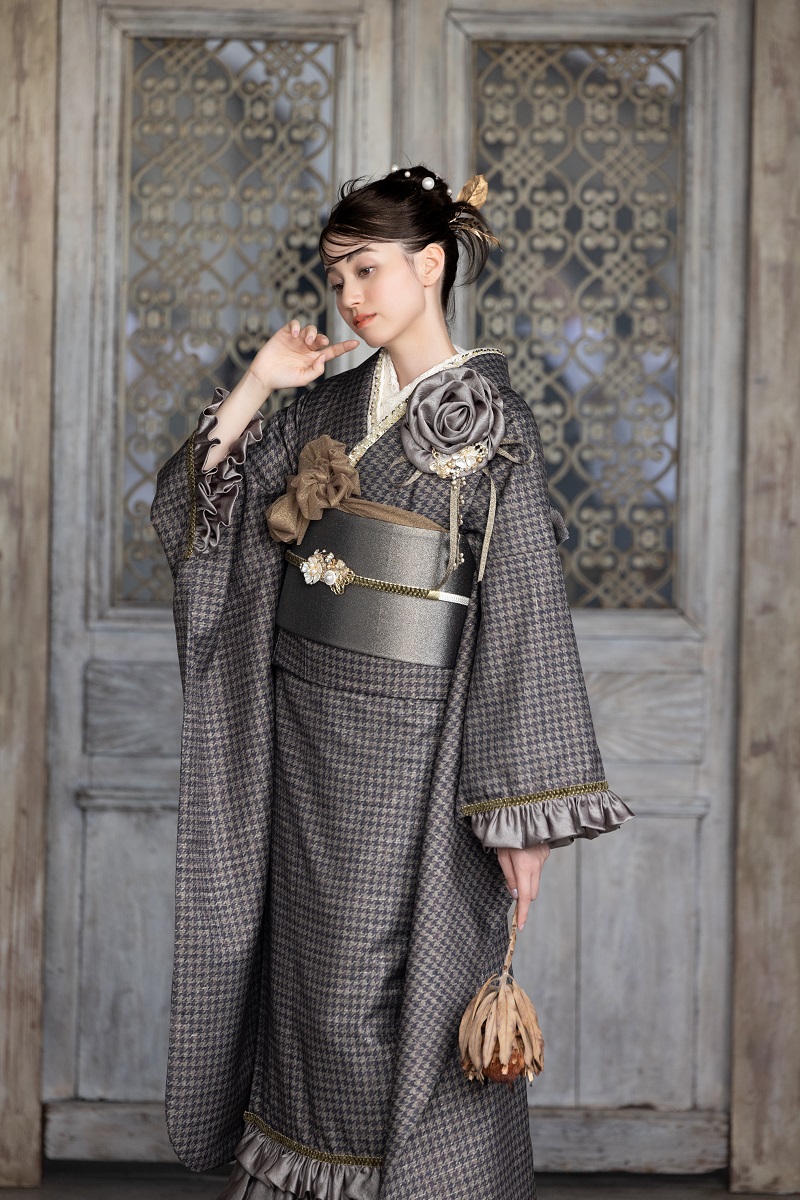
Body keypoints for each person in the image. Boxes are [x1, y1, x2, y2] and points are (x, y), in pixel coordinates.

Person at [150, 164, 633, 1200]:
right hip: (301, 744)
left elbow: (521, 608)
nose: (350, 295)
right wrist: (259, 383)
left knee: (386, 999)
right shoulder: (322, 403)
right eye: (336, 277)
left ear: (431, 264)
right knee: (306, 988)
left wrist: (523, 814)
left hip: (419, 758)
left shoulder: (490, 422)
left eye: (368, 269)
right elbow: (198, 514)